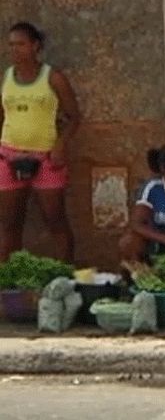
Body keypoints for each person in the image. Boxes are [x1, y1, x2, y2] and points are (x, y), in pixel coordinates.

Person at [0, 22, 81, 263]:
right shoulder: (6, 77)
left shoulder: (53, 78)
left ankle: (65, 275)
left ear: (35, 46)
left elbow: (74, 117)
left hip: (46, 158)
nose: (15, 50)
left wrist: (60, 144)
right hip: (9, 155)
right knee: (9, 223)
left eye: (21, 44)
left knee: (56, 220)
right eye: (11, 45)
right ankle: (9, 278)